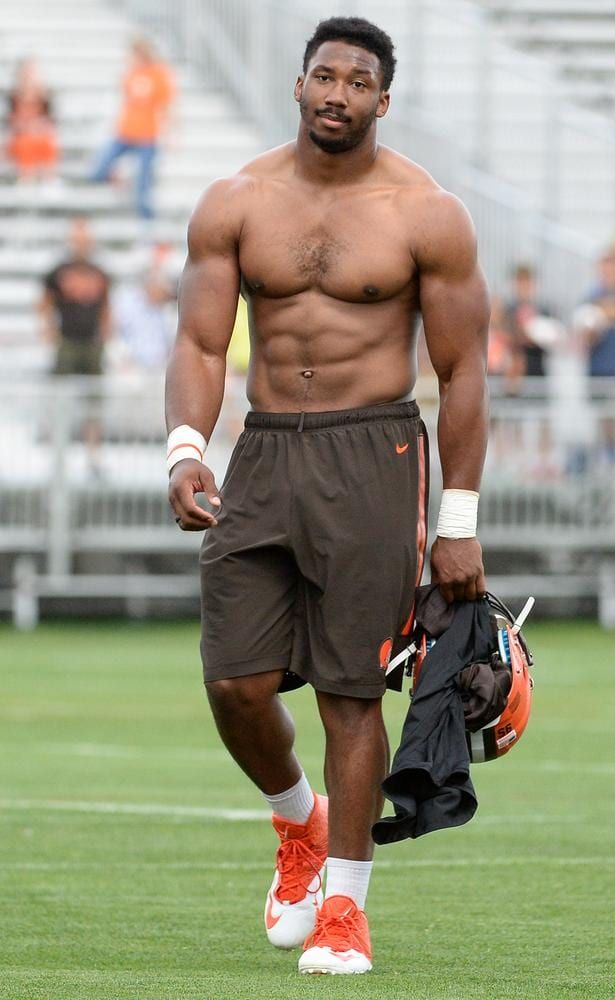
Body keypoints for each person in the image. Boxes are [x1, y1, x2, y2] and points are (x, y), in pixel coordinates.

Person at [165, 16, 488, 977]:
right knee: (233, 682)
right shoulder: (236, 199)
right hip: (264, 452)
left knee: (353, 691)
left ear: (382, 101)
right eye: (323, 76)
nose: (336, 94)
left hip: (375, 450)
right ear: (299, 87)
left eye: (357, 82)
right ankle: (297, 821)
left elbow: (465, 371)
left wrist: (457, 521)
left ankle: (345, 907)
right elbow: (196, 342)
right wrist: (186, 449)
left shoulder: (428, 212)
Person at [39, 217, 110, 470]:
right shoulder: (58, 271)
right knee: (61, 399)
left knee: (94, 401)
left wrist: (105, 335)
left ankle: (93, 455)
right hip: (68, 343)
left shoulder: (100, 272)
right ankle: (58, 457)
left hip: (91, 344)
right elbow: (44, 304)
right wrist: (50, 333)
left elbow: (106, 308)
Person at [91, 38, 175, 220]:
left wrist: (169, 135)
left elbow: (166, 107)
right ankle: (121, 181)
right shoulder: (129, 74)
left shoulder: (159, 74)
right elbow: (124, 102)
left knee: (144, 189)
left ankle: (147, 230)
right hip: (125, 133)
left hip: (147, 136)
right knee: (97, 170)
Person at [6, 58, 58, 183]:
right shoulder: (13, 96)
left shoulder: (45, 96)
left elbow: (50, 122)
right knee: (24, 143)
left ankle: (49, 178)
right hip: (21, 136)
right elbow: (12, 122)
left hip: (40, 135)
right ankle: (26, 178)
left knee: (48, 141)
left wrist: (38, 126)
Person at [504, 263, 555, 378]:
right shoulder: (507, 310)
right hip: (512, 373)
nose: (524, 286)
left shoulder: (544, 310)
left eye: (527, 281)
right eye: (520, 281)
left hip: (537, 370)